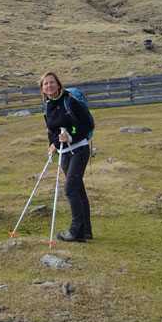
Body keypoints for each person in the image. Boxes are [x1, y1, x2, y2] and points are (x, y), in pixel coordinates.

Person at [40, 71, 94, 243]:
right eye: (45, 84)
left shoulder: (70, 101)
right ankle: (85, 231)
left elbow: (88, 125)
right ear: (42, 88)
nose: (49, 86)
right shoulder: (46, 106)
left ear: (58, 84)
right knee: (77, 189)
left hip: (79, 149)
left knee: (70, 189)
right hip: (64, 153)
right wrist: (53, 144)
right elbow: (52, 131)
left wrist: (71, 137)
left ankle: (75, 232)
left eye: (52, 82)